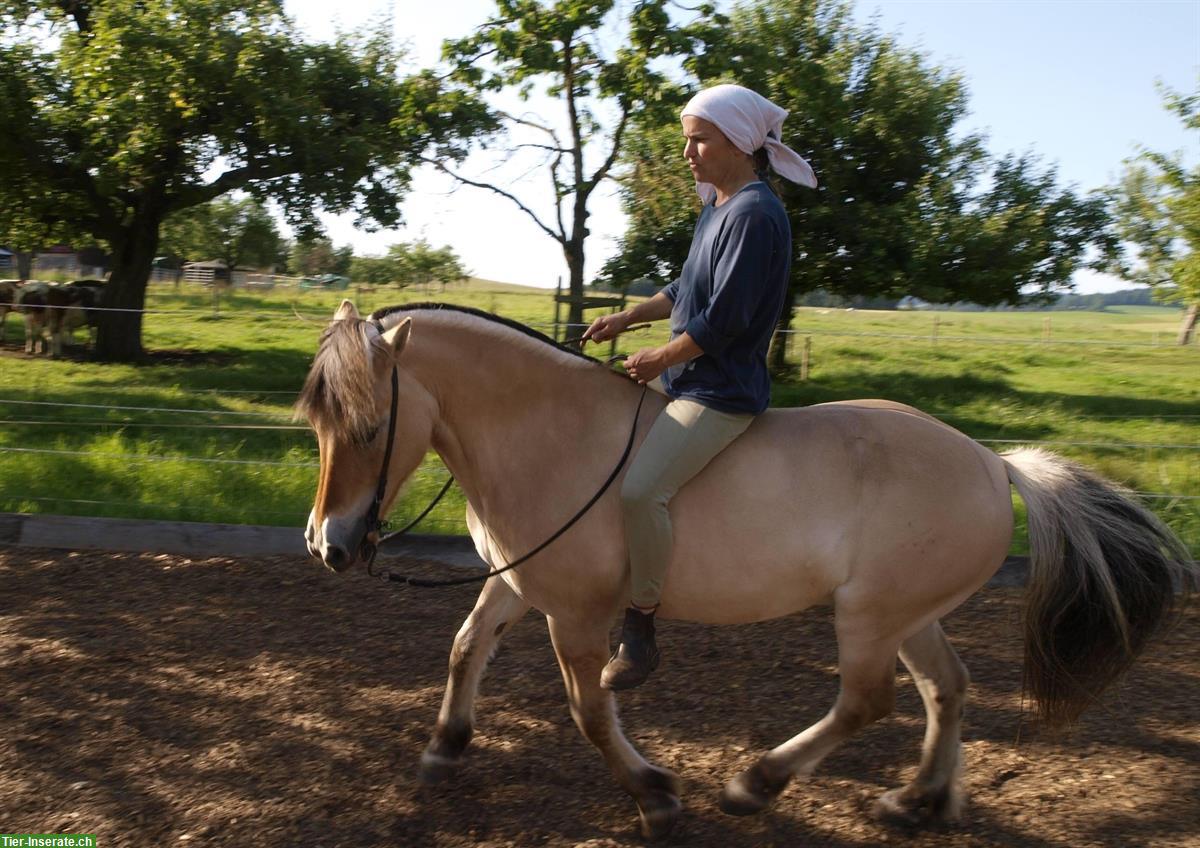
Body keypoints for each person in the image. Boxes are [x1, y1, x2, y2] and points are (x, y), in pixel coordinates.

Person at [582, 83, 818, 690]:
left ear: (738, 142)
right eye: (687, 140)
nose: (687, 152)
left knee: (641, 492)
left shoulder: (756, 214)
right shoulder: (719, 205)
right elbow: (683, 290)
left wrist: (660, 357)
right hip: (685, 378)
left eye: (699, 140)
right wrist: (626, 319)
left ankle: (640, 626)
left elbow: (725, 321)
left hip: (719, 392)